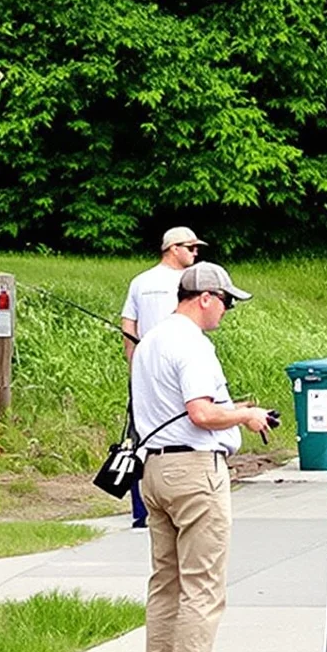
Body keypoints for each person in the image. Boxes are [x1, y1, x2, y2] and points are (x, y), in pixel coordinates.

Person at [131, 261, 274, 652]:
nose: (228, 310)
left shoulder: (151, 340)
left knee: (166, 583)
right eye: (226, 301)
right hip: (194, 471)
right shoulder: (193, 345)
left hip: (154, 469)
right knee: (202, 583)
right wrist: (246, 416)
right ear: (205, 298)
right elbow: (201, 413)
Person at [119, 226, 202, 527]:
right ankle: (180, 502)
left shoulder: (140, 281)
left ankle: (141, 510)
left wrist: (134, 366)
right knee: (179, 432)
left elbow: (128, 324)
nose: (195, 253)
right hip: (178, 368)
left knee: (142, 434)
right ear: (172, 248)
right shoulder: (189, 282)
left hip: (145, 370)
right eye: (191, 247)